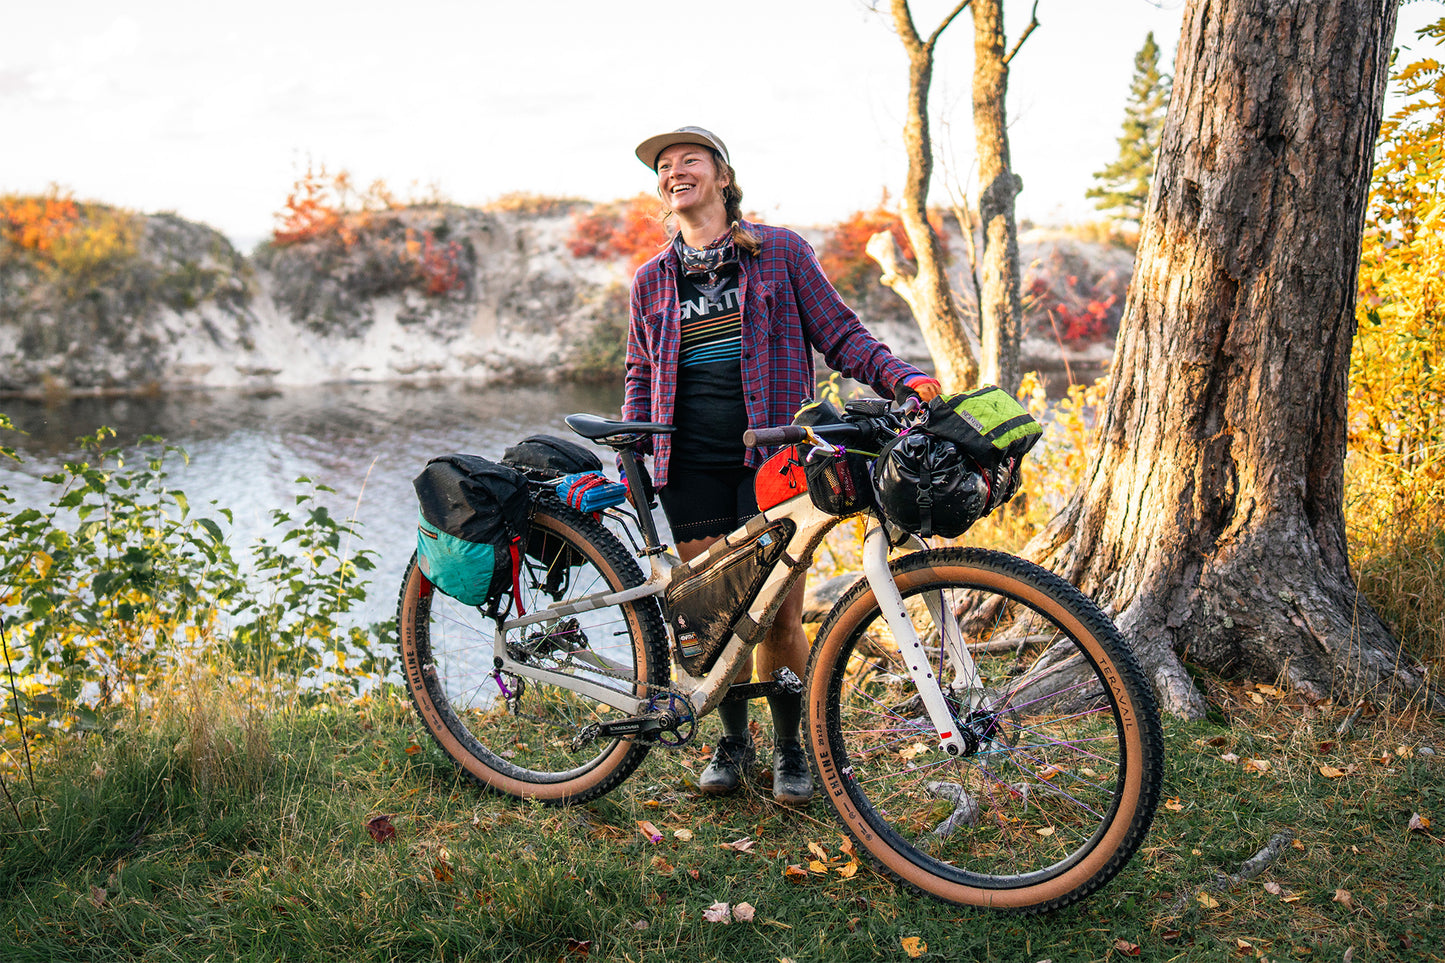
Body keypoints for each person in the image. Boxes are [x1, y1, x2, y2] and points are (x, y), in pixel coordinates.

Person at [623, 126, 941, 804]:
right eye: (664, 167)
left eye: (689, 161)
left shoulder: (778, 252)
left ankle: (792, 748)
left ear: (722, 177)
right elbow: (638, 373)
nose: (674, 172)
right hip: (686, 468)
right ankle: (731, 742)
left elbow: (841, 335)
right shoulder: (651, 279)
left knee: (776, 616)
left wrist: (902, 380)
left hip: (773, 462)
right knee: (714, 618)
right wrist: (635, 463)